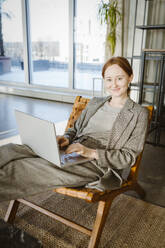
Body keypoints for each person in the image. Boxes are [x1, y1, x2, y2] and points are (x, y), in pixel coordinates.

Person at [0, 57, 149, 202]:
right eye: (109, 79)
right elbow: (75, 129)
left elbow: (128, 157)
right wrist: (66, 138)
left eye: (119, 78)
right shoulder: (95, 103)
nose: (114, 84)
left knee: (21, 168)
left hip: (96, 163)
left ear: (130, 78)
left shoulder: (138, 113)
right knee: (13, 149)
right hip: (73, 148)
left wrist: (90, 152)